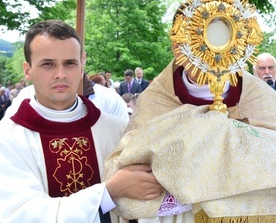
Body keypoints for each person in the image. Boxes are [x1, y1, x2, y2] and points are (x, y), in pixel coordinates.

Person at [103, 0, 276, 221]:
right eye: (187, 40)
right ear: (175, 44)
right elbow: (125, 166)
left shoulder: (257, 94)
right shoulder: (156, 99)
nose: (201, 50)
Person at [0, 20, 164, 222]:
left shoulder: (117, 130)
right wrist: (108, 192)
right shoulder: (8, 138)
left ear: (82, 65)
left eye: (69, 63)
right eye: (48, 64)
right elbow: (20, 215)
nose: (60, 74)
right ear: (28, 70)